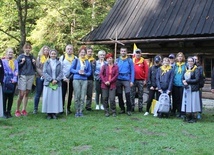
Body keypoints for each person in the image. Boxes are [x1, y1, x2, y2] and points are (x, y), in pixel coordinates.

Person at [42, 49, 63, 119]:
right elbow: (44, 72)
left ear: (56, 55)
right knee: (48, 98)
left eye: (54, 54)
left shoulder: (59, 63)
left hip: (56, 83)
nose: (53, 55)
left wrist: (56, 80)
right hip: (49, 83)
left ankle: (54, 113)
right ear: (50, 55)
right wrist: (51, 79)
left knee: (55, 99)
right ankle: (48, 113)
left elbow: (61, 73)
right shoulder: (47, 62)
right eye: (52, 54)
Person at [16, 42, 36, 117]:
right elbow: (16, 66)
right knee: (21, 94)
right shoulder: (20, 56)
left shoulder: (32, 57)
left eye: (29, 48)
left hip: (30, 75)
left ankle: (24, 109)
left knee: (27, 93)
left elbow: (35, 67)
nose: (27, 49)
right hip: (23, 75)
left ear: (30, 49)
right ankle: (17, 110)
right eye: (26, 48)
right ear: (24, 48)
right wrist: (22, 62)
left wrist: (34, 63)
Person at [71, 46, 91, 117]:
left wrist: (85, 73)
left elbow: (89, 72)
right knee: (77, 95)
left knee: (82, 96)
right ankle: (76, 111)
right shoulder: (76, 60)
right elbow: (71, 69)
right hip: (76, 79)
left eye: (84, 52)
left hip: (84, 80)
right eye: (81, 52)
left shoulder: (87, 62)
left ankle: (81, 111)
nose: (83, 54)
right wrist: (78, 71)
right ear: (79, 53)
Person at [181, 57, 201, 123]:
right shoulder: (185, 69)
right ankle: (188, 116)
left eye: (191, 61)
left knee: (193, 103)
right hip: (187, 89)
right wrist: (184, 83)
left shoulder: (196, 69)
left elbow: (197, 79)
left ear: (194, 62)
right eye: (188, 61)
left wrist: (187, 81)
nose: (190, 62)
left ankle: (194, 117)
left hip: (193, 88)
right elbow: (182, 78)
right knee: (187, 103)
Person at [116, 47, 135, 116]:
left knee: (127, 94)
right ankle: (122, 108)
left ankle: (129, 109)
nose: (123, 52)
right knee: (119, 95)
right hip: (118, 79)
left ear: (126, 52)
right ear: (120, 52)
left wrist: (132, 81)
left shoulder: (129, 60)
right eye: (122, 51)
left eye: (124, 51)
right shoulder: (117, 60)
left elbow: (132, 71)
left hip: (127, 79)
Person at [59, 44, 77, 114]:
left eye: (71, 49)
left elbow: (76, 68)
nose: (69, 50)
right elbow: (60, 69)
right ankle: (61, 108)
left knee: (70, 94)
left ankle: (68, 107)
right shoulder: (62, 57)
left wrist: (71, 77)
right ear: (65, 50)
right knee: (63, 93)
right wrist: (64, 77)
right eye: (68, 49)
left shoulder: (75, 58)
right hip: (63, 79)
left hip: (72, 78)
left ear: (73, 50)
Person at [2, 48, 18, 118]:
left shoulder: (15, 61)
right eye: (9, 52)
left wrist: (14, 79)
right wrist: (9, 76)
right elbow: (4, 70)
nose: (10, 53)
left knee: (11, 97)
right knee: (4, 97)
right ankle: (4, 112)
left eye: (11, 52)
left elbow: (16, 70)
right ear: (6, 53)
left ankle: (9, 111)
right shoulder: (3, 61)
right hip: (5, 80)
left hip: (13, 81)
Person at [33, 45, 50, 114]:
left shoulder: (50, 58)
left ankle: (47, 108)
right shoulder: (39, 58)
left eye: (47, 50)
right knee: (38, 93)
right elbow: (37, 68)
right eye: (45, 50)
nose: (46, 51)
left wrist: (47, 76)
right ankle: (35, 108)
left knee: (47, 94)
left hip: (48, 78)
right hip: (40, 77)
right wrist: (43, 75)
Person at [171, 52, 186, 118]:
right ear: (176, 58)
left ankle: (181, 112)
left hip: (182, 85)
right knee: (175, 98)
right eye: (179, 56)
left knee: (181, 99)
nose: (180, 57)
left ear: (183, 58)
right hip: (175, 84)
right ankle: (174, 111)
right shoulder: (174, 65)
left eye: (181, 56)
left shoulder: (185, 65)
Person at [193, 55, 205, 119]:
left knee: (199, 100)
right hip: (192, 86)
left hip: (198, 86)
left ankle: (199, 113)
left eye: (196, 59)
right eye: (193, 59)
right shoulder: (191, 67)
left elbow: (202, 77)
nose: (195, 60)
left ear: (198, 60)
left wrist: (200, 85)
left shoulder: (200, 68)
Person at [85, 46, 95, 111]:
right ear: (86, 52)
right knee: (82, 93)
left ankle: (88, 106)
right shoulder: (83, 59)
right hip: (83, 78)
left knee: (89, 93)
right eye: (88, 51)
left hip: (91, 79)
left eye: (91, 52)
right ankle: (80, 106)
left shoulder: (94, 60)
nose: (90, 53)